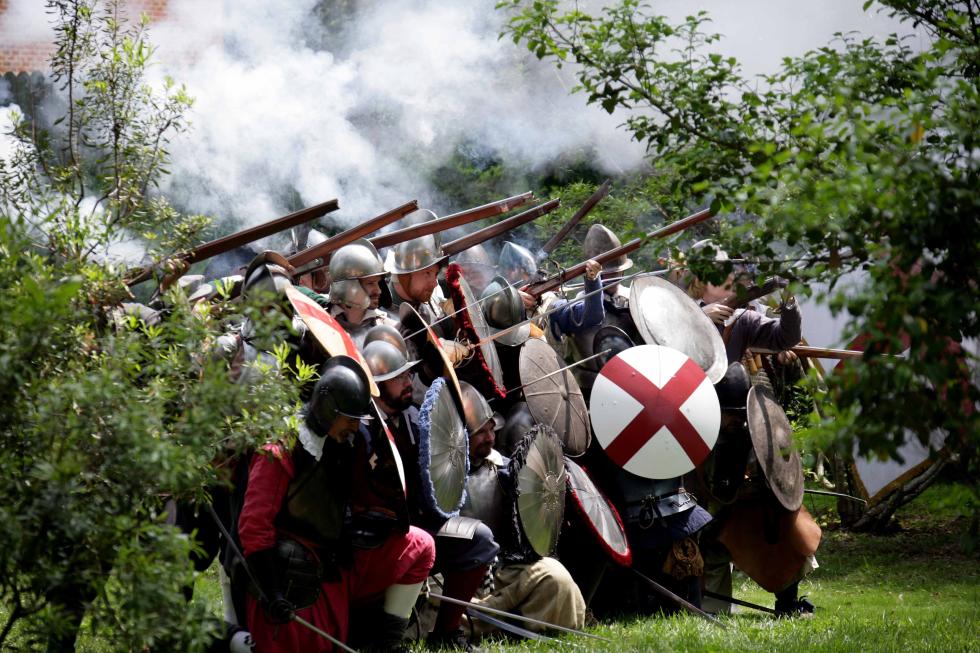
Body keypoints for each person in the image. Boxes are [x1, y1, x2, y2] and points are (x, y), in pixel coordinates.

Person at [238, 356, 436, 652]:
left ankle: (387, 645)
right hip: (290, 574)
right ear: (329, 411)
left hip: (331, 559)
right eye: (350, 419)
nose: (356, 427)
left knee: (419, 545)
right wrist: (273, 592)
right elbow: (254, 528)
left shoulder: (341, 445)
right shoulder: (281, 449)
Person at [364, 338, 498, 651]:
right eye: (398, 377)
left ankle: (446, 633)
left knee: (479, 539)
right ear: (377, 384)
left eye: (408, 374)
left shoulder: (415, 418)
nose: (408, 382)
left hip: (421, 523)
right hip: (378, 535)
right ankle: (386, 638)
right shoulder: (362, 429)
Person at [457, 383, 587, 637]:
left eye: (491, 429)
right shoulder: (439, 480)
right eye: (480, 432)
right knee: (436, 604)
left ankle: (500, 624)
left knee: (556, 578)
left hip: (504, 572)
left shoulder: (505, 470)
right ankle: (513, 622)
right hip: (459, 576)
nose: (490, 438)